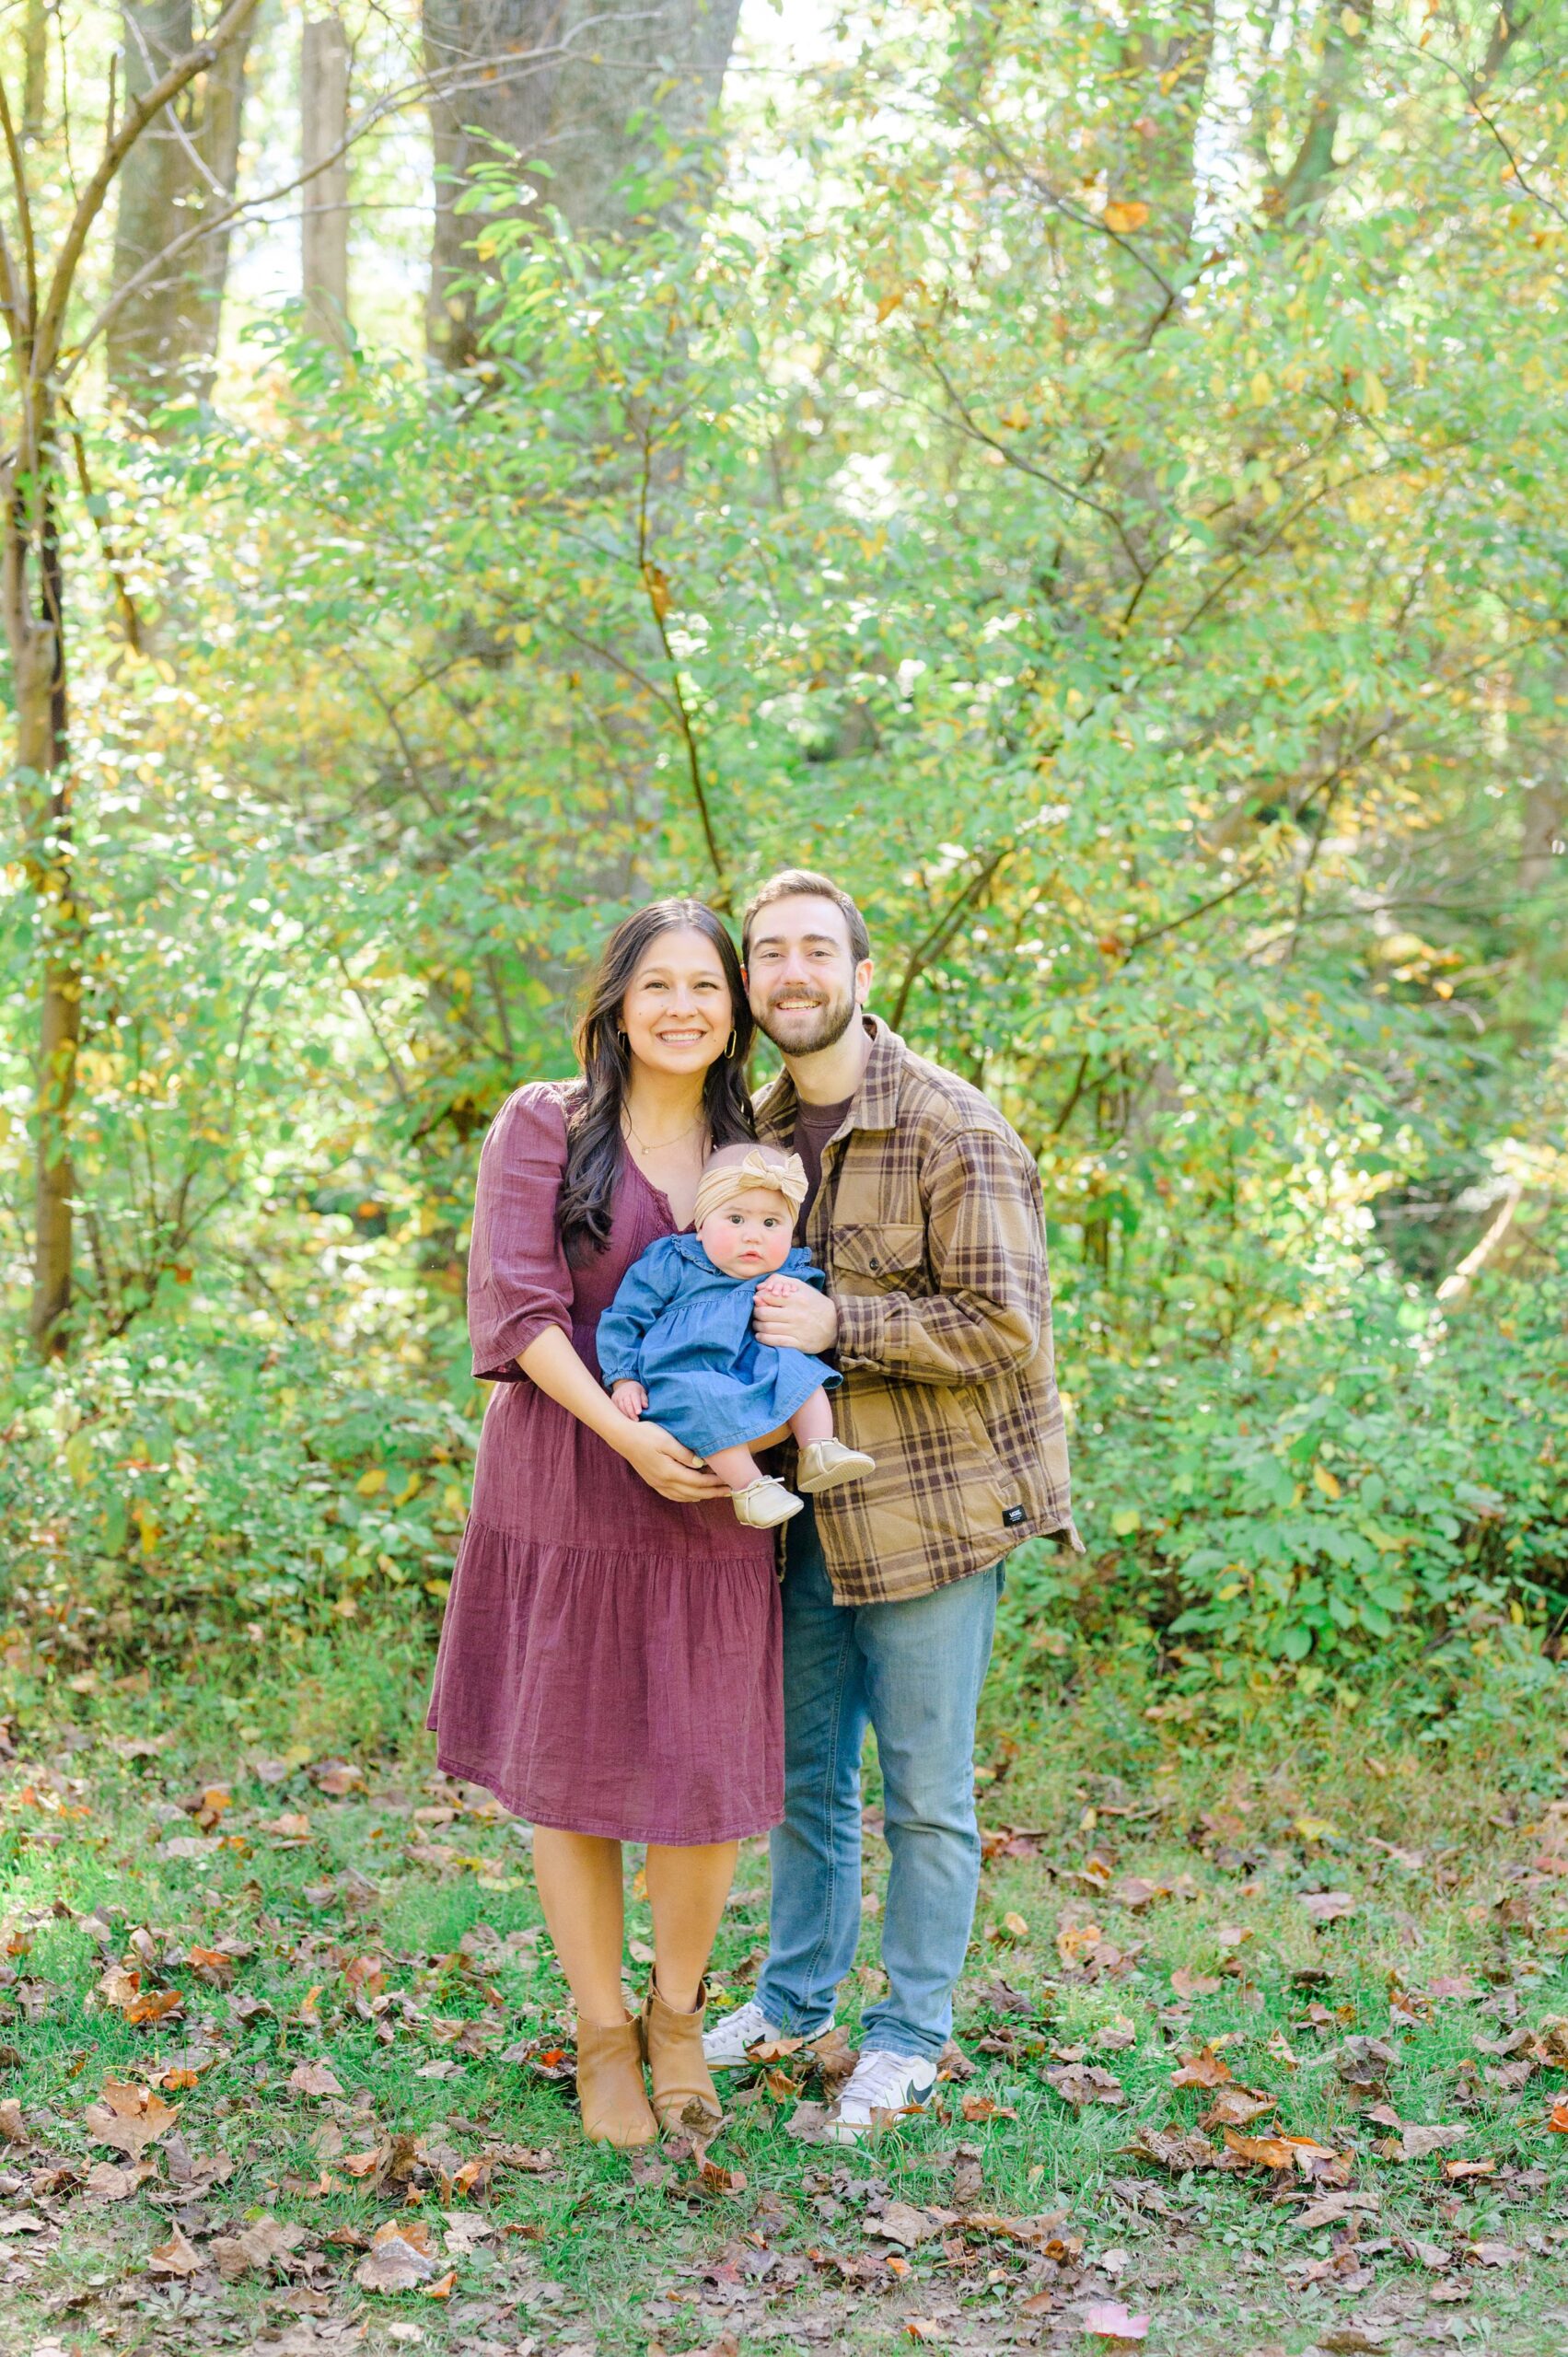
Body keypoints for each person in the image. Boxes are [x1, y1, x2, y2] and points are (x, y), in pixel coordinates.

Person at [703, 868, 1081, 2142]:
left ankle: (908, 2038)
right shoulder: (748, 1137)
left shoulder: (949, 1128)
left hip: (929, 1512)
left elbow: (1004, 1328)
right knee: (803, 1773)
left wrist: (840, 1324)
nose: (792, 972)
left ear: (861, 974)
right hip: (792, 1512)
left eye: (817, 949)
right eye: (769, 954)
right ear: (751, 984)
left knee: (922, 1788)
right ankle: (793, 2001)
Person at [425, 899, 780, 2151]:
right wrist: (624, 1435)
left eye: (707, 986)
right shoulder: (547, 1124)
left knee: (702, 1776)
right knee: (570, 1777)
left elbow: (794, 1302)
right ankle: (599, 2030)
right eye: (658, 985)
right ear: (617, 1003)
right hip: (568, 1485)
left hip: (710, 1503)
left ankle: (676, 2019)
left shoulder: (763, 1140)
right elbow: (516, 1306)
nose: (683, 1007)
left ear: (733, 1011)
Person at [598, 1140, 875, 1528]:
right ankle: (750, 1489)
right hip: (686, 1372)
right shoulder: (675, 1259)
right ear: (702, 1220)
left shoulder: (787, 1269)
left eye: (771, 1223)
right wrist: (624, 1378)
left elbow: (803, 1309)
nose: (753, 1236)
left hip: (751, 1365)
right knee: (704, 1403)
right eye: (736, 1219)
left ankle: (818, 1448)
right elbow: (625, 1317)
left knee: (799, 1371)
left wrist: (789, 1292)